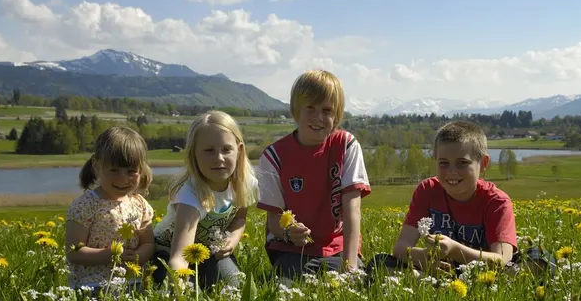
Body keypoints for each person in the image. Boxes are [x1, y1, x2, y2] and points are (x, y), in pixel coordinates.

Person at [256, 70, 371, 280]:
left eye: (327, 110)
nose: (319, 117)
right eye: (311, 108)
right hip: (291, 249)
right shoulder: (273, 157)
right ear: (296, 110)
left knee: (356, 287)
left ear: (337, 115)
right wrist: (289, 232)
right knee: (286, 290)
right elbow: (273, 220)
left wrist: (350, 265)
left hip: (337, 247)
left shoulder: (346, 145)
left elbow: (352, 209)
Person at [367, 120, 520, 275]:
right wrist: (422, 257)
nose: (451, 171)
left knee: (532, 262)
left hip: (482, 275)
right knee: (379, 263)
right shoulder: (428, 190)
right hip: (438, 272)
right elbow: (400, 248)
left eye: (462, 163)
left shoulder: (496, 202)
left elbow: (502, 259)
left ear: (484, 163)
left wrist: (455, 250)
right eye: (443, 163)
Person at [152, 111, 258, 289]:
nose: (219, 158)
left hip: (209, 251)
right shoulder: (190, 196)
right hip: (167, 253)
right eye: (209, 150)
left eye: (226, 149)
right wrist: (178, 294)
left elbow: (240, 219)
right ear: (194, 154)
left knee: (235, 287)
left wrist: (232, 240)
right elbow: (179, 257)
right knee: (192, 293)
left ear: (239, 150)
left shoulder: (245, 184)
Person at [65, 127, 155, 290]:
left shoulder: (140, 204)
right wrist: (108, 256)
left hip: (133, 283)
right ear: (97, 167)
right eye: (114, 170)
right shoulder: (86, 204)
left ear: (140, 170)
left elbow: (147, 243)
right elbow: (74, 252)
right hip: (92, 286)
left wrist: (139, 255)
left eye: (131, 171)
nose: (123, 178)